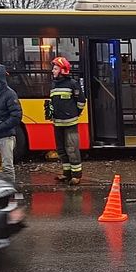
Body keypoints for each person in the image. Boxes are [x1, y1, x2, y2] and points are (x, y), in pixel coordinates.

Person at [46, 56, 85, 184]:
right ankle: (66, 174)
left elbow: (81, 101)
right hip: (57, 123)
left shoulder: (72, 84)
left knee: (72, 149)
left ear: (63, 70)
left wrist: (74, 114)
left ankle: (76, 175)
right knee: (61, 150)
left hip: (70, 123)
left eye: (55, 68)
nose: (53, 70)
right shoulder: (53, 85)